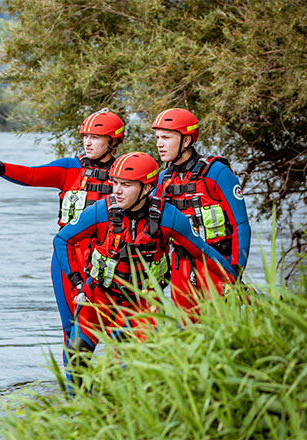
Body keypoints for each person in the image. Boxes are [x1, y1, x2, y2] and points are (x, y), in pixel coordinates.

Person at [53, 152, 238, 388]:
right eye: (115, 183)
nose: (117, 191)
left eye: (126, 185)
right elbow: (62, 240)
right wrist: (76, 280)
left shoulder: (169, 217)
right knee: (76, 353)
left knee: (136, 368)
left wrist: (234, 280)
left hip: (143, 301)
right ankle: (78, 410)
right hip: (101, 295)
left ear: (147, 188)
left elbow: (203, 252)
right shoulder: (100, 211)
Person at [0, 109, 125, 361]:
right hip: (68, 257)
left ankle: (125, 388)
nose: (87, 142)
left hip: (110, 259)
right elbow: (31, 175)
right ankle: (75, 395)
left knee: (121, 330)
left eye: (95, 137)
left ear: (113, 141)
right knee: (72, 332)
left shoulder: (127, 174)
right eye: (85, 136)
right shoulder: (69, 168)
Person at [152, 108, 251, 317]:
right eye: (158, 137)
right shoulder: (163, 180)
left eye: (166, 137)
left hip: (217, 265)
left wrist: (235, 272)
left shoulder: (216, 172)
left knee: (223, 334)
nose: (159, 144)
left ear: (186, 140)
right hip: (181, 270)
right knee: (187, 337)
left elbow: (240, 225)